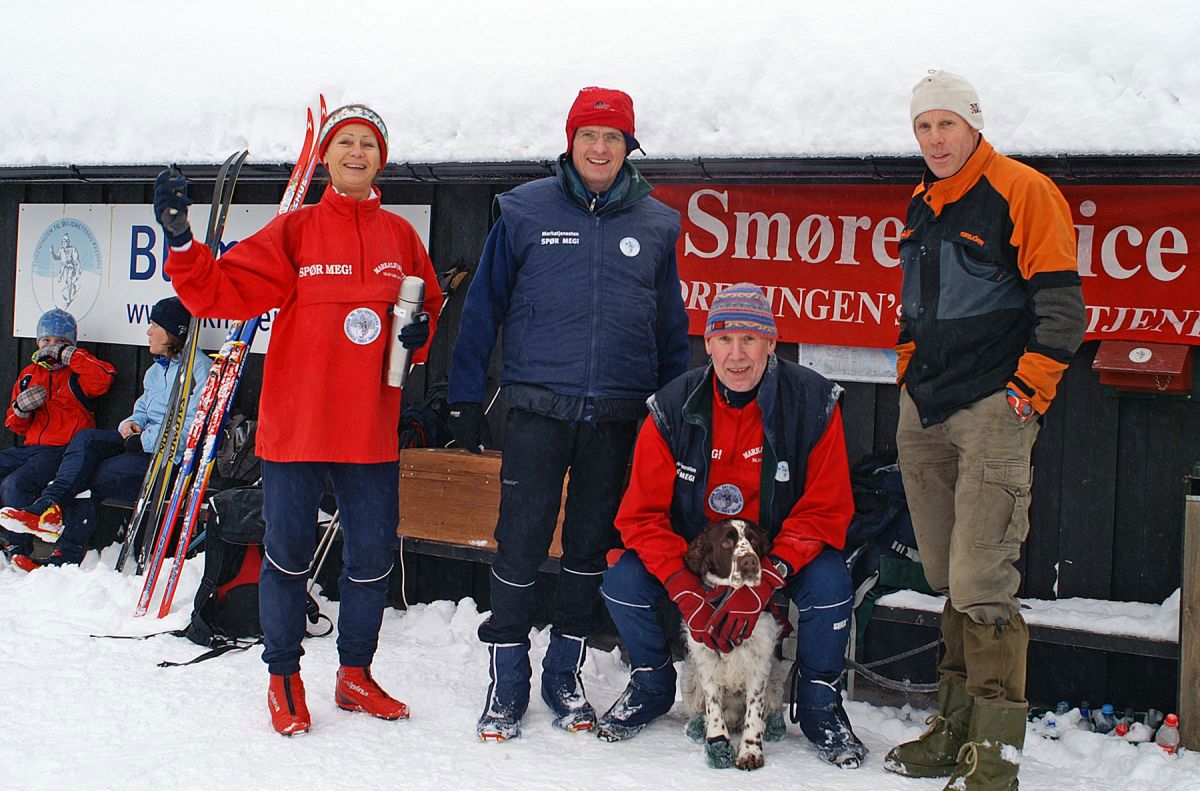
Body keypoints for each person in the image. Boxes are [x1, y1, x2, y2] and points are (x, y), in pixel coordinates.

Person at [154, 103, 441, 737]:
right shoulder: (297, 231)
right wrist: (181, 241)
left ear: (380, 159)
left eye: (369, 144)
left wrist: (420, 334)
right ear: (327, 158)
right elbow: (219, 292)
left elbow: (424, 314)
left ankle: (354, 675)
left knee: (370, 559)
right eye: (346, 143)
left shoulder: (400, 237)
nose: (357, 153)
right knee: (286, 556)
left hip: (369, 431)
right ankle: (283, 676)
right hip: (298, 427)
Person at [448, 86, 690, 741]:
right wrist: (465, 397)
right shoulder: (524, 210)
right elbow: (481, 310)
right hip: (536, 407)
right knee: (519, 542)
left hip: (619, 414)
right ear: (571, 140)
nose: (601, 147)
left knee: (589, 547)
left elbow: (672, 330)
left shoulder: (658, 224)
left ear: (628, 146)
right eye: (590, 135)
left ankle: (564, 669)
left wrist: (675, 419)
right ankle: (507, 677)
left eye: (613, 137)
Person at [884, 71, 1086, 789]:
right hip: (926, 408)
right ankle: (954, 727)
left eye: (946, 124)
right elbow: (916, 302)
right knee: (945, 574)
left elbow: (1063, 311)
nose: (935, 139)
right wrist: (907, 366)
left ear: (973, 123)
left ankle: (994, 755)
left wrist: (1024, 393)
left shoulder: (1023, 191)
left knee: (982, 580)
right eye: (923, 128)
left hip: (993, 408)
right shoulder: (921, 200)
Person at [597, 283, 868, 767]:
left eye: (750, 339)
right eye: (724, 339)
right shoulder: (671, 405)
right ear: (707, 344)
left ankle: (822, 705)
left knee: (831, 581)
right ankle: (653, 684)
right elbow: (640, 516)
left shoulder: (811, 400)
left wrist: (767, 580)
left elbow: (826, 507)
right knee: (622, 580)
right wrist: (685, 588)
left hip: (782, 549)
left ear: (772, 341)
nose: (737, 355)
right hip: (699, 555)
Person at [0, 298, 210, 571]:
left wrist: (143, 439)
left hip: (167, 456)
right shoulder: (156, 370)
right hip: (141, 441)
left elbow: (192, 430)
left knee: (89, 474)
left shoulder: (199, 369)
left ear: (173, 332)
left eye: (155, 325)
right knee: (87, 440)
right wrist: (130, 424)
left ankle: (67, 553)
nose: (148, 332)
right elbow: (142, 410)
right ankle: (47, 506)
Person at [1, 309, 115, 562]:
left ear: (72, 344)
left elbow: (104, 377)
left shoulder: (77, 374)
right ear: (37, 342)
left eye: (60, 342)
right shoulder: (28, 374)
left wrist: (70, 356)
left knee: (16, 483)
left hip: (63, 450)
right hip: (31, 447)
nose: (51, 347)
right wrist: (21, 410)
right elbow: (15, 426)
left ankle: (17, 548)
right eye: (46, 341)